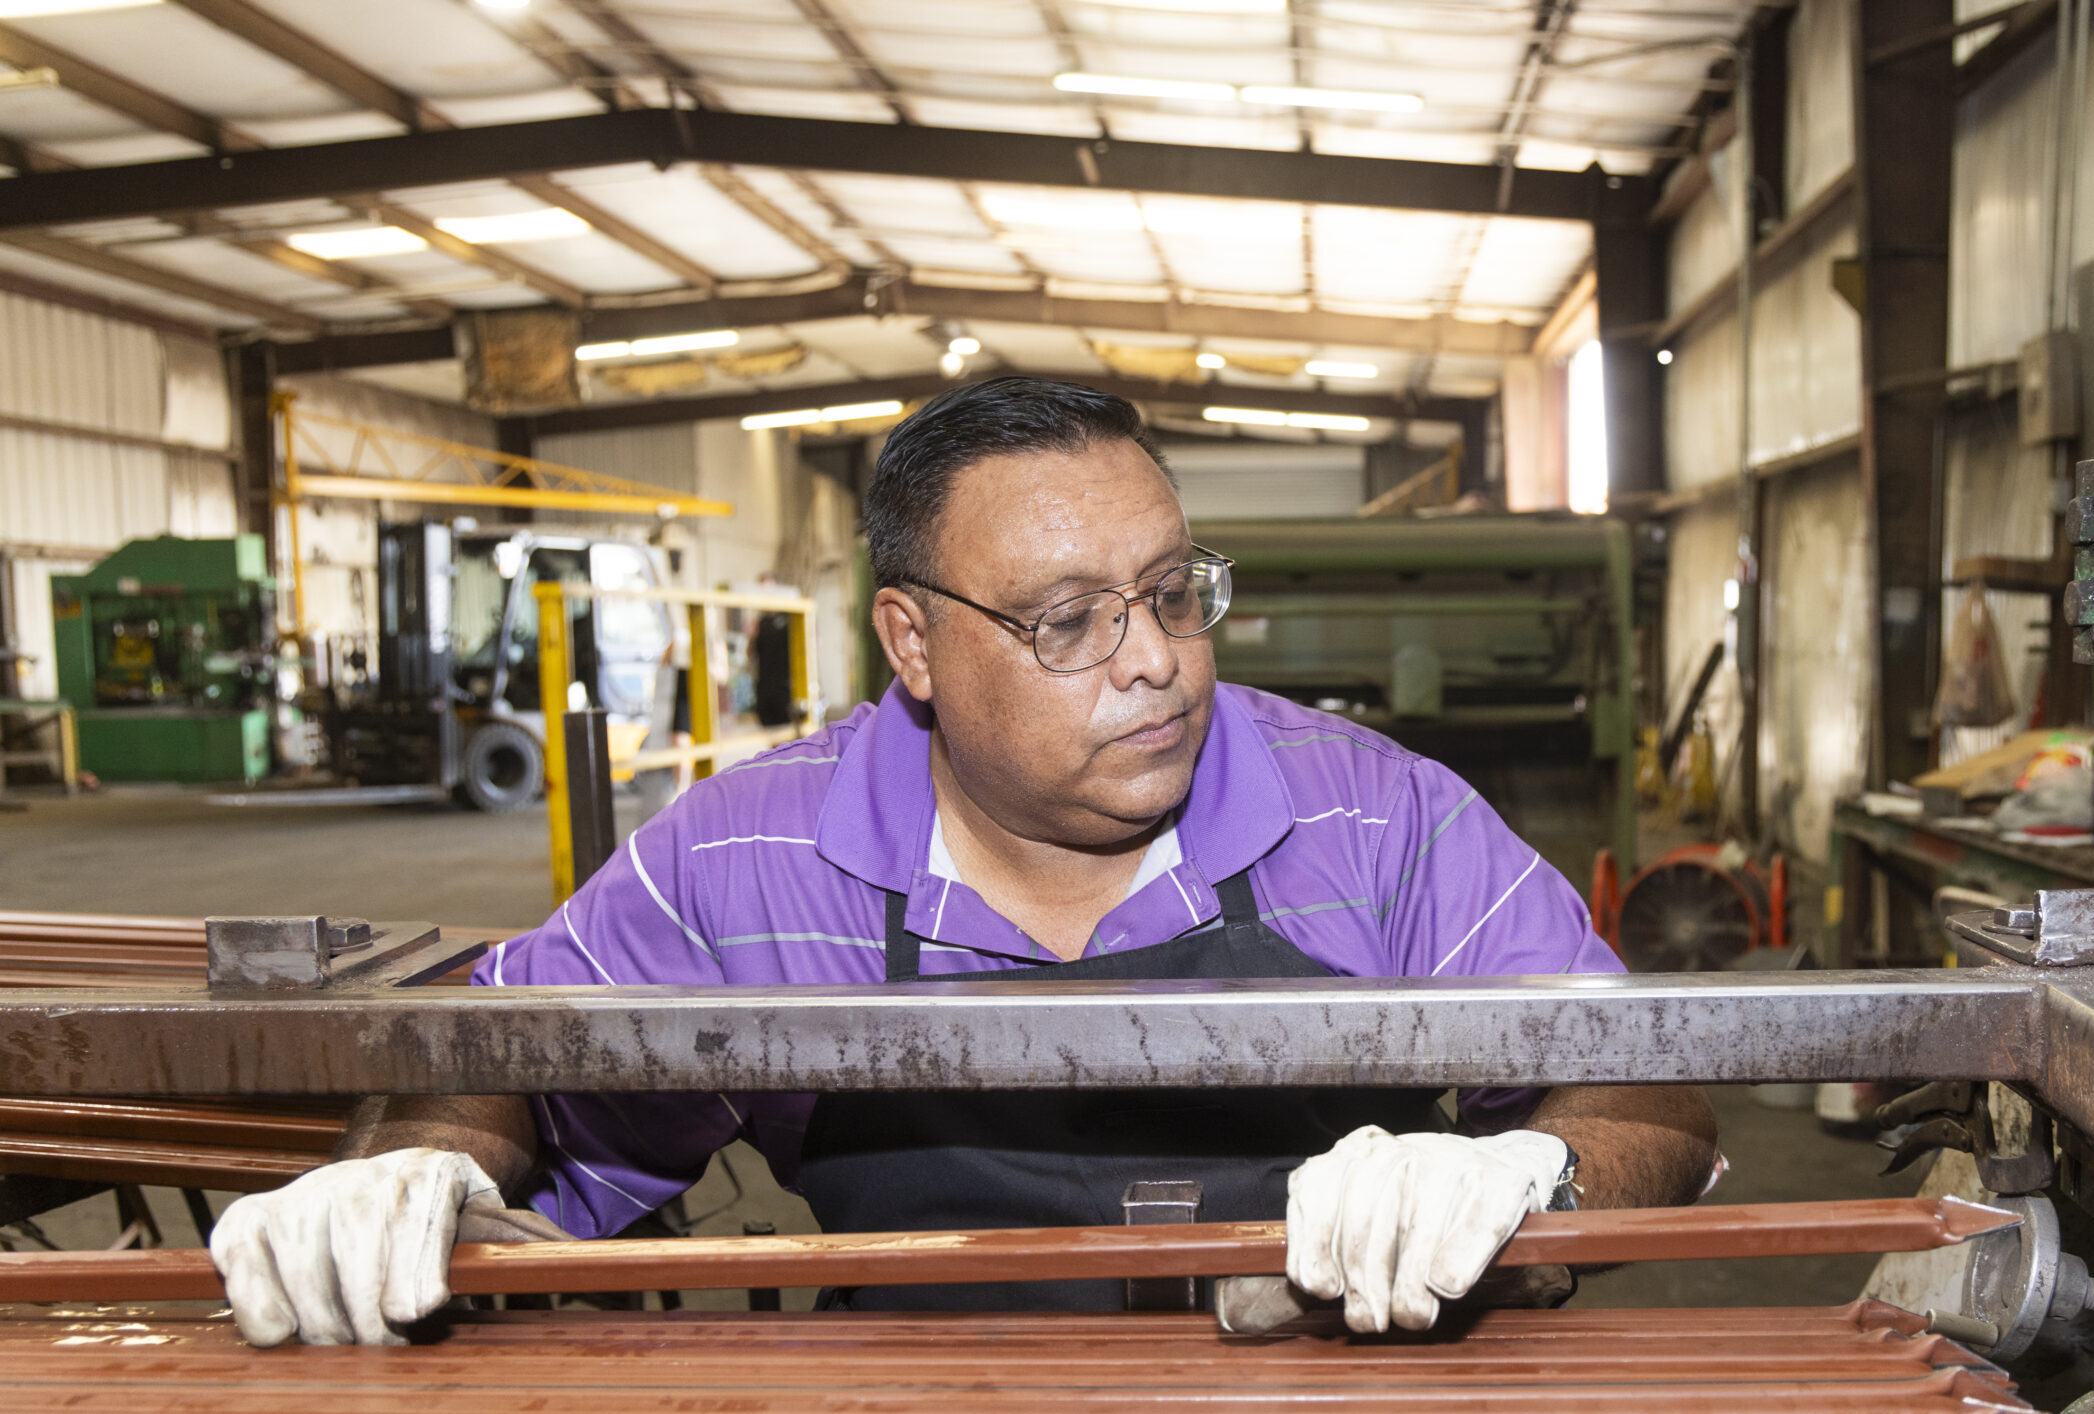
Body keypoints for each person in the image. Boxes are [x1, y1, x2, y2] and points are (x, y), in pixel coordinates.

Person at [210, 376, 1717, 1347]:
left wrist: (1531, 1176)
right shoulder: (754, 858)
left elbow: (1650, 1089)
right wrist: (413, 1173)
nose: (1154, 662)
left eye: (1172, 593)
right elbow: (498, 1057)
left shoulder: (1374, 821)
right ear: (914, 642)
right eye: (1068, 620)